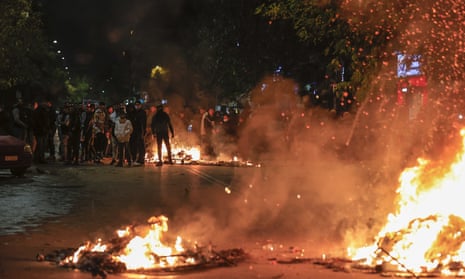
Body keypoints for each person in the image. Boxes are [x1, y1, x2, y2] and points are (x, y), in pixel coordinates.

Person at [131, 101, 147, 166]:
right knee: (135, 145)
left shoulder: (142, 113)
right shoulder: (134, 112)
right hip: (134, 131)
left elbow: (143, 123)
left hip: (140, 131)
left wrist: (143, 132)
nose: (137, 106)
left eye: (138, 105)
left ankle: (141, 160)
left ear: (140, 105)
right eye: (136, 105)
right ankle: (136, 159)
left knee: (141, 146)